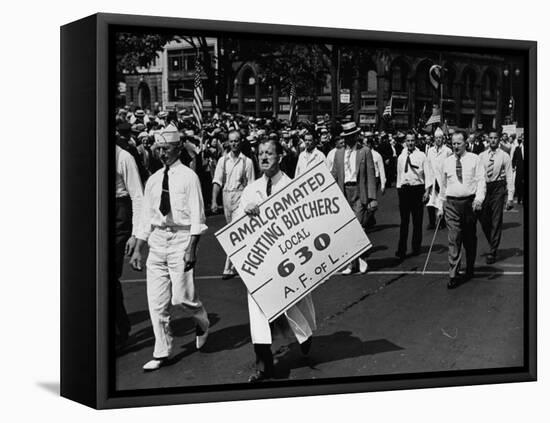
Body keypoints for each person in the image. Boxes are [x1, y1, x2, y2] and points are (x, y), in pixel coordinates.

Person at [129, 124, 210, 371]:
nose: (162, 153)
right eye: (159, 149)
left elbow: (198, 216)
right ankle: (161, 351)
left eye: (167, 148)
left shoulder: (189, 177)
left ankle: (202, 320)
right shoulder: (153, 181)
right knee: (156, 302)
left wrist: (192, 247)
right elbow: (146, 217)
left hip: (181, 240)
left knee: (181, 297)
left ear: (177, 148)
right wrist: (138, 247)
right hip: (157, 242)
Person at [237, 139, 315, 383]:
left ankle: (305, 335)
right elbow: (236, 230)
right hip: (260, 263)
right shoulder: (251, 190)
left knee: (294, 303)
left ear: (279, 156)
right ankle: (264, 366)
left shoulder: (291, 187)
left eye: (269, 153)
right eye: (260, 153)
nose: (264, 157)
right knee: (258, 312)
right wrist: (245, 213)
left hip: (287, 259)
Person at [438, 131, 486, 289]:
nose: (455, 146)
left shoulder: (474, 159)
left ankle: (470, 266)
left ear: (466, 143)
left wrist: (479, 199)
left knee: (469, 239)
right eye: (453, 143)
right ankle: (453, 274)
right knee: (454, 238)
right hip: (451, 204)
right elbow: (443, 186)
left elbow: (481, 181)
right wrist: (440, 206)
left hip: (469, 204)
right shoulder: (447, 162)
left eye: (459, 143)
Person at [331, 122, 377, 275]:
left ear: (356, 136)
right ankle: (352, 263)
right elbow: (334, 175)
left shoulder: (365, 151)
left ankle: (361, 259)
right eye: (347, 137)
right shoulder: (338, 153)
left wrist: (372, 198)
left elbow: (370, 175)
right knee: (348, 230)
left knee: (358, 228)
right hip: (344, 192)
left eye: (352, 136)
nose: (350, 139)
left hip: (359, 191)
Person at [211, 130, 255, 279]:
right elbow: (217, 181)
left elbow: (251, 185)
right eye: (231, 141)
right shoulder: (223, 161)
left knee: (234, 232)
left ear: (241, 142)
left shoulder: (247, 162)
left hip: (240, 196)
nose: (234, 144)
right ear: (228, 143)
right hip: (226, 196)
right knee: (234, 232)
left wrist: (250, 203)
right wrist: (214, 201)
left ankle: (227, 267)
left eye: (236, 141)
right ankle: (239, 264)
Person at [115, 139, 144, 346]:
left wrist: (135, 234)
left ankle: (119, 331)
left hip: (120, 213)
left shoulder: (124, 157)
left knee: (109, 275)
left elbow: (137, 196)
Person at [478, 131, 515, 264]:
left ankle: (493, 251)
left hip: (498, 187)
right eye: (491, 138)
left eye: (495, 138)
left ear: (499, 140)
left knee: (496, 219)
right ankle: (492, 241)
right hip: (485, 187)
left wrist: (510, 197)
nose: (493, 140)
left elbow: (510, 176)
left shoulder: (505, 156)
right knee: (483, 218)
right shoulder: (481, 155)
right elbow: (477, 174)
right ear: (488, 139)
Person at [395, 132, 431, 259]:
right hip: (405, 190)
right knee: (404, 222)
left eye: (412, 141)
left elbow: (427, 174)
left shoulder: (421, 155)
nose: (410, 143)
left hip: (417, 189)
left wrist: (427, 191)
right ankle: (401, 249)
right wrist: (399, 189)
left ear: (416, 141)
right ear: (405, 141)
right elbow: (399, 174)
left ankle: (416, 247)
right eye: (408, 140)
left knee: (417, 221)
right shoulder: (401, 156)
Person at [426, 127, 453, 229]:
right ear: (434, 139)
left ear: (443, 139)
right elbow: (428, 166)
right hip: (432, 179)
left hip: (443, 179)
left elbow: (450, 165)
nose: (438, 140)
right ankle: (432, 222)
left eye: (440, 138)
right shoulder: (430, 151)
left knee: (442, 201)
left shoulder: (447, 151)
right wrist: (428, 182)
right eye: (436, 138)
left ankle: (442, 222)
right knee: (431, 202)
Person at [512, 133, 525, 205]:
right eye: (522, 138)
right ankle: (519, 198)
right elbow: (514, 159)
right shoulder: (517, 148)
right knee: (518, 183)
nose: (523, 140)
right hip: (519, 169)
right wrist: (513, 166)